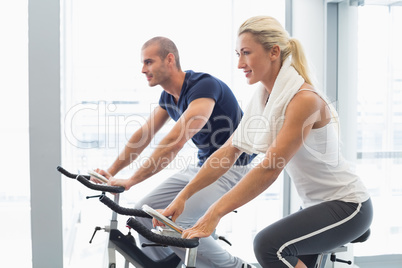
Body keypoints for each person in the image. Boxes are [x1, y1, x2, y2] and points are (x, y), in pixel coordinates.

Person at [159, 16, 373, 268]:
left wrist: (214, 213)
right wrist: (183, 197)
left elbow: (270, 167)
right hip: (317, 205)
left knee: (268, 246)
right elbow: (229, 151)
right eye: (238, 54)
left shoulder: (303, 99)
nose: (240, 63)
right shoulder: (264, 98)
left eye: (246, 53)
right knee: (276, 248)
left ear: (273, 52)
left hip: (348, 205)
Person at [93, 36, 256, 268]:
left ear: (169, 59)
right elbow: (143, 136)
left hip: (233, 168)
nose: (143, 69)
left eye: (149, 62)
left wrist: (132, 180)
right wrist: (109, 173)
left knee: (182, 223)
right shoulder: (168, 97)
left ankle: (236, 266)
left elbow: (174, 142)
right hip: (202, 166)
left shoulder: (203, 86)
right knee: (143, 215)